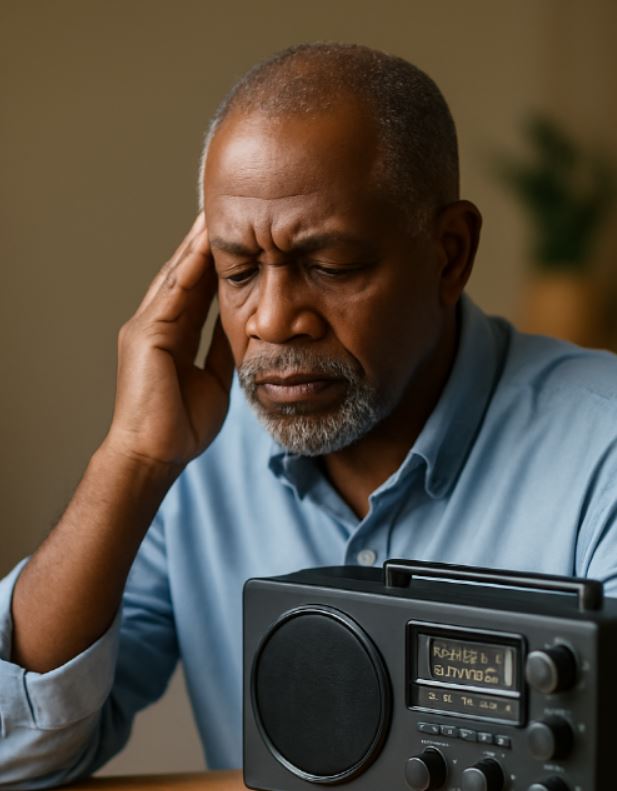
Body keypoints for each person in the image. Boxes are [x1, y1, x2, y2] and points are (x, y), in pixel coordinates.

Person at [1, 42, 616, 787]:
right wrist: (130, 462)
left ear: (449, 254)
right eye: (236, 271)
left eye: (329, 267)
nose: (272, 318)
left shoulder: (601, 448)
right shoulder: (192, 460)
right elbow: (15, 753)